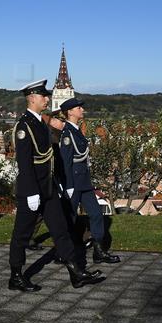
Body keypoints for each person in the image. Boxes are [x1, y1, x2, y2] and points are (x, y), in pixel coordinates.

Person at [8, 80, 103, 292]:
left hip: (48, 188)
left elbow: (51, 157)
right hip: (31, 189)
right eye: (43, 96)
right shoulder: (24, 126)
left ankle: (76, 273)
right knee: (21, 234)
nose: (47, 99)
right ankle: (15, 275)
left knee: (61, 230)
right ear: (32, 98)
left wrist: (59, 183)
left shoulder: (41, 123)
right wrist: (32, 192)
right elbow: (25, 163)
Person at [58, 98, 120, 265]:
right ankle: (63, 252)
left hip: (83, 180)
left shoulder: (76, 131)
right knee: (69, 217)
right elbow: (66, 161)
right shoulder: (67, 134)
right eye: (79, 108)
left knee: (96, 214)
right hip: (74, 182)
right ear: (70, 112)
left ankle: (99, 251)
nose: (82, 111)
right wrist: (68, 185)